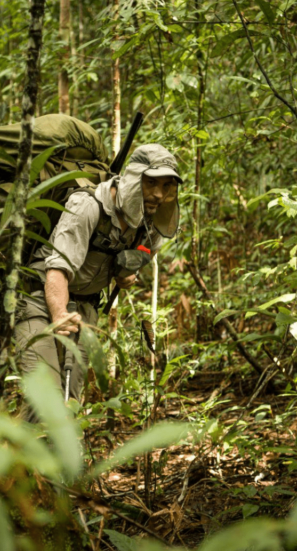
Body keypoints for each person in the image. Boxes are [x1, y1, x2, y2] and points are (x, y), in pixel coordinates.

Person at [13, 144, 182, 415]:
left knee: (69, 405)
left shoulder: (153, 223)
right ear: (134, 177)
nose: (158, 194)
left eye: (166, 186)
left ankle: (44, 456)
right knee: (45, 399)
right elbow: (58, 269)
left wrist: (125, 273)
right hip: (40, 300)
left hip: (85, 310)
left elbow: (140, 257)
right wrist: (58, 314)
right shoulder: (88, 206)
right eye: (150, 183)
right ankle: (6, 454)